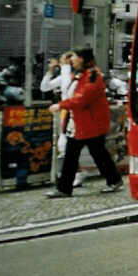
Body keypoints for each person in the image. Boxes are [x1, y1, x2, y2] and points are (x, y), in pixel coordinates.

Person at [45, 48, 123, 197]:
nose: (72, 60)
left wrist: (61, 105)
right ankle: (112, 180)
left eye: (73, 57)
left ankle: (65, 188)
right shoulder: (82, 74)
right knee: (86, 154)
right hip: (82, 122)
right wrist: (66, 66)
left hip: (90, 123)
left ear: (82, 58)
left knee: (93, 154)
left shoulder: (92, 75)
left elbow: (82, 98)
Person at [41, 51, 89, 186]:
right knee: (66, 145)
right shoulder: (65, 75)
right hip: (65, 114)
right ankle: (75, 174)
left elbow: (68, 94)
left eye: (65, 59)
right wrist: (50, 71)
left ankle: (74, 175)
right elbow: (44, 87)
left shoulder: (76, 76)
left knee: (68, 145)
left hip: (74, 114)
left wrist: (64, 66)